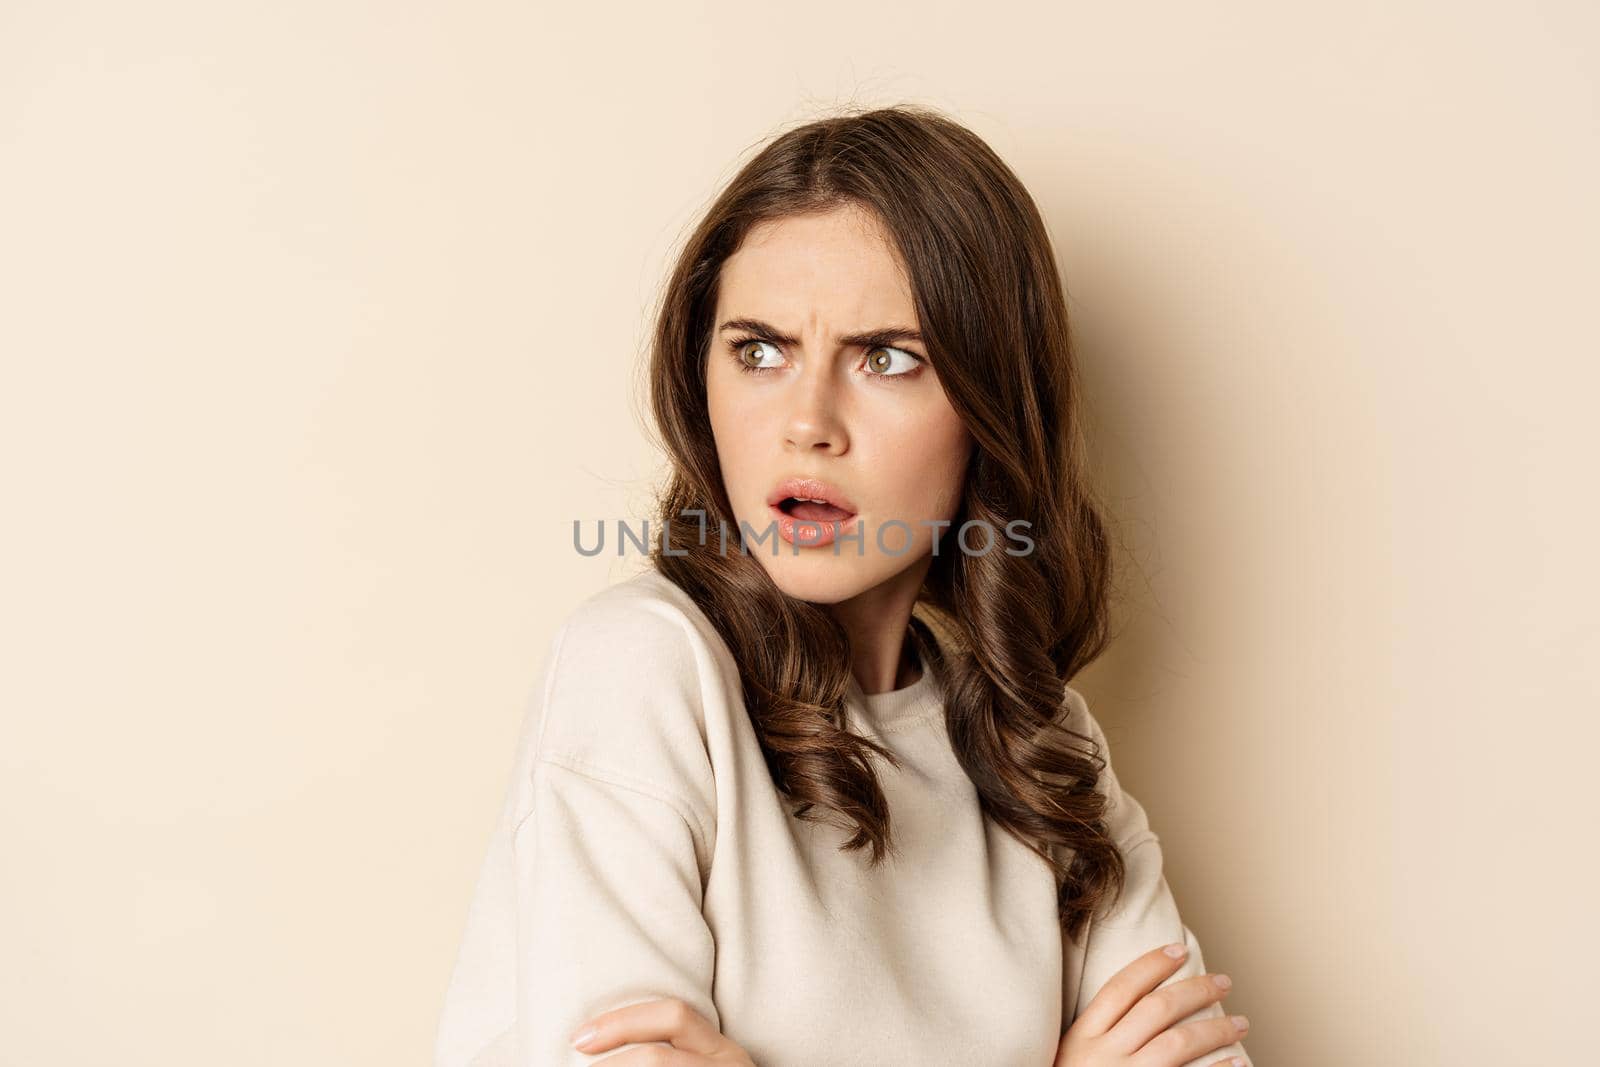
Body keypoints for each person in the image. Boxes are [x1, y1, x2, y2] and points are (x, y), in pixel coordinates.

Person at [433, 104, 1252, 1067]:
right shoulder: (647, 668)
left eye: (887, 357)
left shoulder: (1046, 743)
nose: (807, 422)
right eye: (761, 350)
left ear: (990, 404)